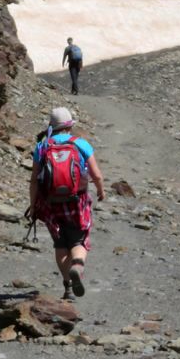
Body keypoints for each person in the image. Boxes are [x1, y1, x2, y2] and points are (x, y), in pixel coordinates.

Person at [28, 107, 106, 300]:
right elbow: (96, 174)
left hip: (51, 203)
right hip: (76, 200)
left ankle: (68, 287)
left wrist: (33, 204)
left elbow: (34, 180)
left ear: (51, 127)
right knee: (79, 239)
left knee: (60, 244)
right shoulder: (80, 144)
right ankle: (78, 265)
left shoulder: (43, 147)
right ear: (70, 125)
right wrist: (101, 190)